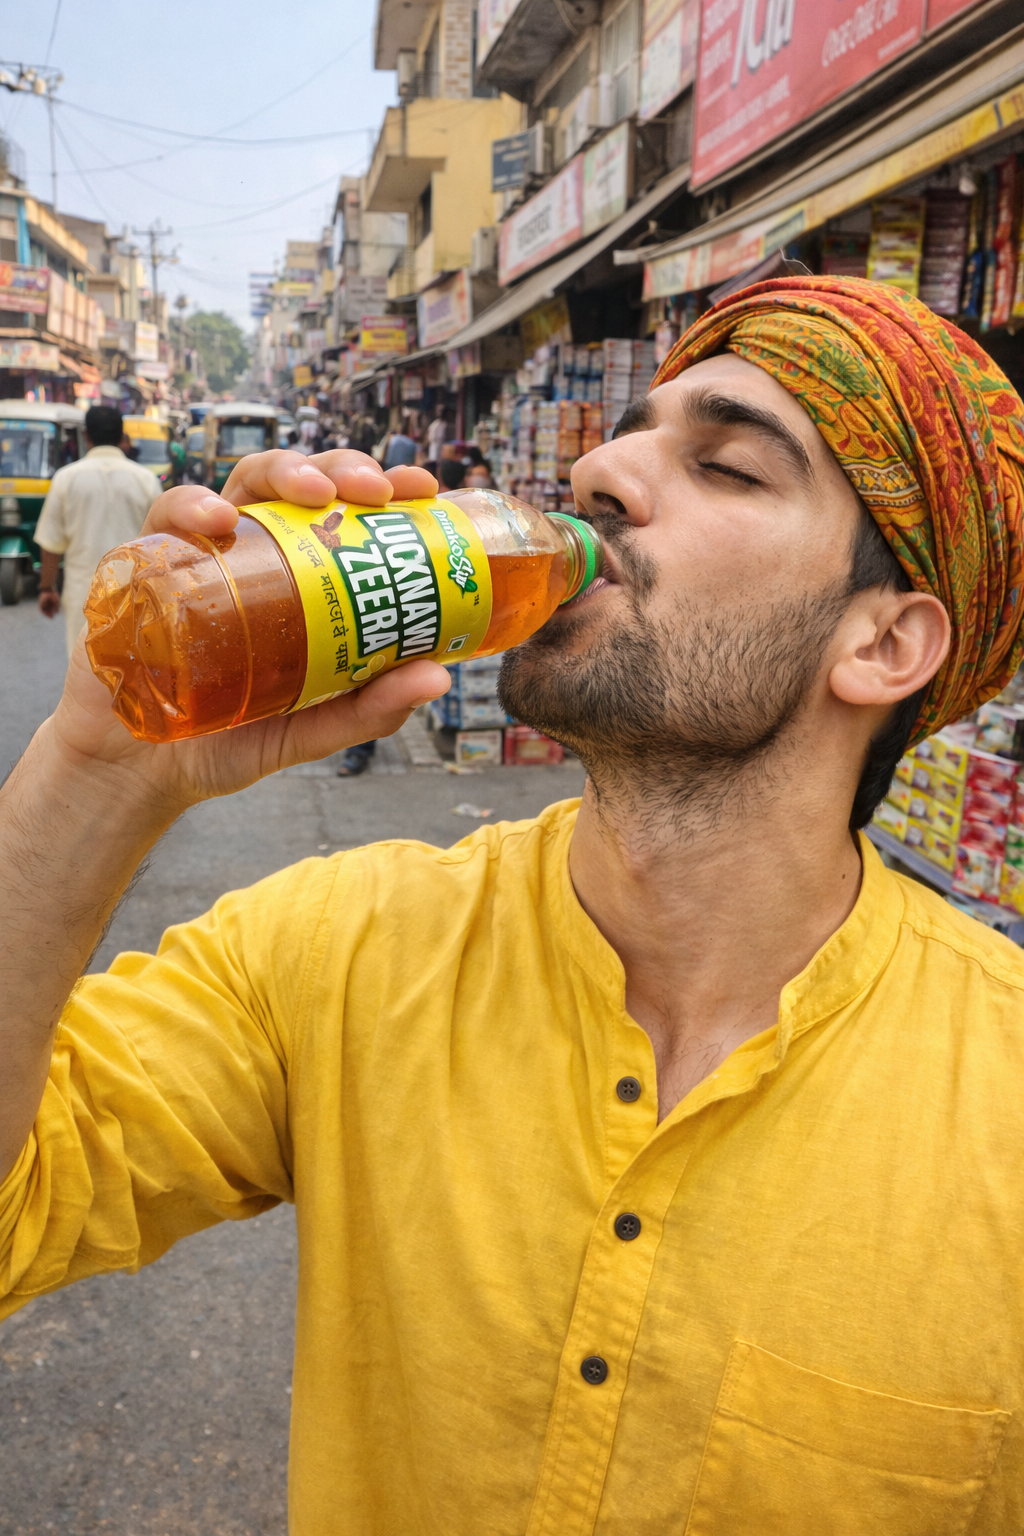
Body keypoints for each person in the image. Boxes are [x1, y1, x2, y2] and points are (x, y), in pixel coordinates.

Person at [6, 277, 1024, 1531]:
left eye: (728, 468)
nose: (599, 468)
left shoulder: (1000, 1090)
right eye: (630, 434)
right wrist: (99, 773)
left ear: (881, 645)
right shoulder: (339, 948)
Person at [34, 404, 162, 658]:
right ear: (121, 437)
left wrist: (47, 588)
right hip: (135, 595)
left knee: (86, 667)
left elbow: (51, 544)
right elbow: (161, 544)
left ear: (86, 436)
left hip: (85, 594)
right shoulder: (146, 480)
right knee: (134, 671)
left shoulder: (66, 479)